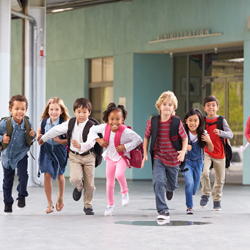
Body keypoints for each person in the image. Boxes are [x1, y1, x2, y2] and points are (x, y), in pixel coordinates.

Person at [38, 98, 98, 215]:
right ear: (74, 112)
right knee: (74, 179)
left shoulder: (92, 125)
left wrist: (81, 145)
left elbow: (93, 141)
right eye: (79, 112)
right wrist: (43, 138)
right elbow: (55, 130)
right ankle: (78, 187)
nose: (81, 115)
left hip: (88, 156)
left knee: (90, 185)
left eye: (84, 112)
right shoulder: (70, 123)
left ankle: (87, 206)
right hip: (74, 156)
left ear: (89, 113)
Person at [81, 103, 142, 216]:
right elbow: (92, 130)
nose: (114, 122)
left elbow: (138, 139)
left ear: (122, 119)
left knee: (119, 175)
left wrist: (125, 147)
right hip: (110, 157)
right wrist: (98, 140)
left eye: (118, 119)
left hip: (121, 157)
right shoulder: (104, 127)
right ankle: (110, 205)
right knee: (109, 184)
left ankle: (124, 192)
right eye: (112, 119)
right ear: (107, 119)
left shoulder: (125, 131)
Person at [141, 91, 188, 222]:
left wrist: (183, 151)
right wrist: (145, 153)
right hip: (159, 157)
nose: (167, 107)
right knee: (157, 181)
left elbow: (184, 138)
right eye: (164, 104)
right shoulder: (152, 122)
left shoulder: (176, 122)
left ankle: (170, 187)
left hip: (174, 159)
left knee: (172, 184)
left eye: (170, 104)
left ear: (174, 108)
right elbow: (146, 137)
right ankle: (163, 210)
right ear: (159, 106)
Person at [0, 95, 35, 214]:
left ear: (26, 110)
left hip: (21, 154)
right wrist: (2, 139)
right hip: (7, 156)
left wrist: (32, 135)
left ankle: (21, 195)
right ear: (10, 110)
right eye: (16, 109)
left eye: (23, 109)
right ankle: (8, 203)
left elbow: (31, 136)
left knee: (23, 176)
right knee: (7, 181)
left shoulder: (27, 122)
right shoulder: (5, 123)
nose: (20, 112)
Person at [37, 97, 70, 214]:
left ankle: (60, 196)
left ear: (61, 111)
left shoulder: (64, 124)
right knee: (47, 174)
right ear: (48, 110)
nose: (54, 112)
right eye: (51, 109)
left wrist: (60, 141)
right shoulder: (45, 121)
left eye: (57, 109)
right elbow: (40, 131)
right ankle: (50, 202)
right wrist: (38, 136)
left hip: (59, 150)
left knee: (60, 175)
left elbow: (69, 140)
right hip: (46, 150)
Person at [200, 95, 233, 211]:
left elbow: (230, 134)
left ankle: (216, 200)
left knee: (220, 179)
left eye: (213, 105)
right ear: (204, 108)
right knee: (204, 173)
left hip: (220, 153)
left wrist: (221, 132)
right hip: (206, 152)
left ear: (217, 107)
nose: (211, 108)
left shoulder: (221, 120)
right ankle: (206, 193)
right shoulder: (202, 120)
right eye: (208, 105)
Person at [183, 108, 214, 215]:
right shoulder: (183, 133)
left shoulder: (203, 133)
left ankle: (189, 193)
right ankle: (189, 207)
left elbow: (211, 149)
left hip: (199, 162)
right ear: (186, 121)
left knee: (195, 187)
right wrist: (184, 147)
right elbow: (176, 145)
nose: (192, 123)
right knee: (189, 183)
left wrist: (208, 141)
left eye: (195, 120)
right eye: (190, 120)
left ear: (199, 121)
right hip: (187, 162)